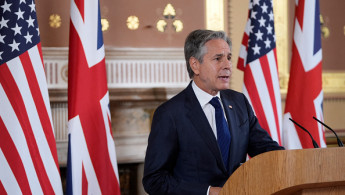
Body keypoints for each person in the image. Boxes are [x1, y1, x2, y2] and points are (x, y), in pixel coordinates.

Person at [142, 29, 284, 195]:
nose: (227, 65)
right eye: (218, 59)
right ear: (195, 65)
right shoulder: (170, 114)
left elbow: (265, 149)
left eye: (229, 58)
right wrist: (209, 192)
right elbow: (155, 180)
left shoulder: (239, 102)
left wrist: (294, 160)